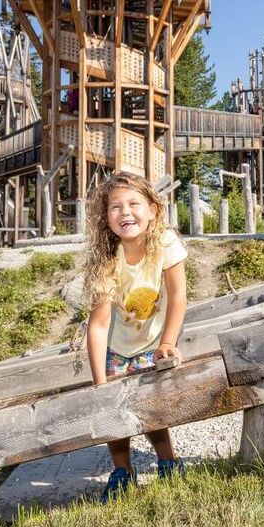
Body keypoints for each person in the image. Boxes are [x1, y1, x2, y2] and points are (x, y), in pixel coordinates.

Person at [85, 173, 188, 502]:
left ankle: (168, 462)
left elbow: (177, 296)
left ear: (153, 209)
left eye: (133, 204)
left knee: (151, 408)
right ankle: (122, 471)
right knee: (115, 409)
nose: (124, 212)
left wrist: (168, 342)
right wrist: (99, 380)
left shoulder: (166, 243)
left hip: (152, 341)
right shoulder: (107, 257)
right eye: (115, 207)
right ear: (106, 216)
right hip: (117, 345)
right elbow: (98, 324)